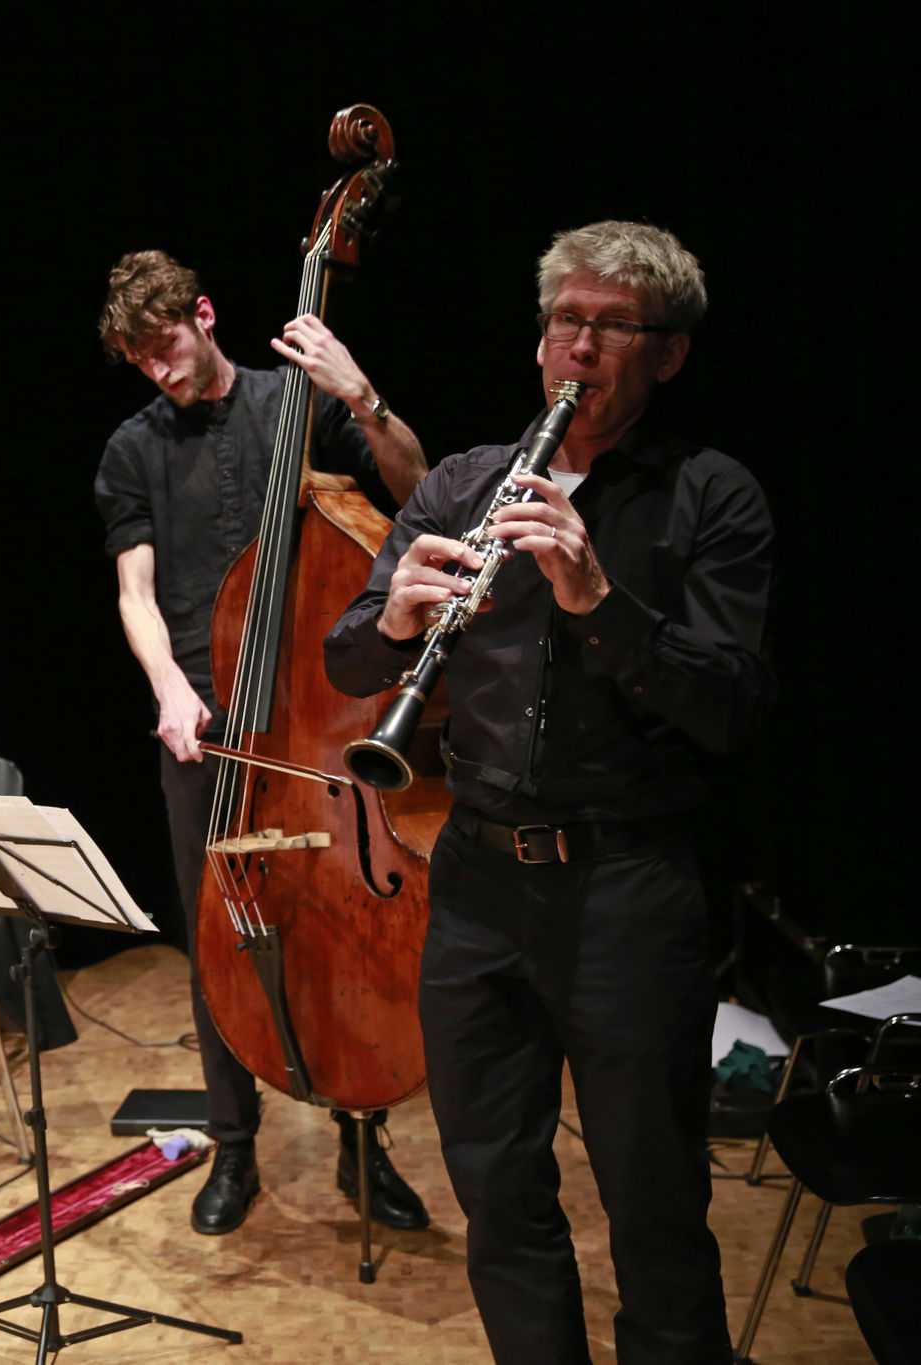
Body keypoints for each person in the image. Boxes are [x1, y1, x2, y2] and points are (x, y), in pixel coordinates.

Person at [324, 221, 774, 1363]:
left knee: (653, 1204)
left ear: (663, 355)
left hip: (628, 891)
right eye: (562, 321)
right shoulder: (460, 484)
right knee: (497, 1195)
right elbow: (343, 663)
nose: (576, 345)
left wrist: (595, 595)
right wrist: (394, 616)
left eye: (608, 327)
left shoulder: (709, 497)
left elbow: (726, 706)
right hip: (474, 885)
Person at [93, 249, 433, 1236]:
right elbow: (135, 593)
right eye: (137, 361)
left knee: (347, 931)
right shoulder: (130, 451)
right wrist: (165, 688)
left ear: (202, 314)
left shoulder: (293, 402)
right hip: (205, 725)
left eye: (165, 348)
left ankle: (358, 1139)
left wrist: (361, 399)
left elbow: (412, 492)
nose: (158, 372)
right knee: (221, 929)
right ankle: (231, 1149)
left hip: (317, 724)